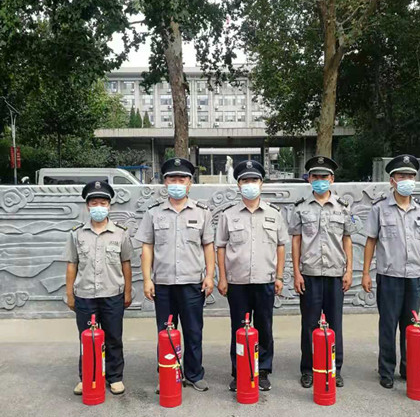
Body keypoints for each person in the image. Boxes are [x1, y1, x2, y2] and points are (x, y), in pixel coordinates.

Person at [135, 157, 214, 392]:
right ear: (165, 183)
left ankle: (194, 374)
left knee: (193, 331)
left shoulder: (202, 212)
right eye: (172, 179)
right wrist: (147, 279)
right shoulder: (153, 213)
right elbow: (147, 247)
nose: (177, 183)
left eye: (182, 179)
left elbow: (208, 246)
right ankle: (168, 375)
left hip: (192, 283)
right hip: (163, 284)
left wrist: (210, 276)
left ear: (190, 183)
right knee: (165, 332)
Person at [362, 154, 420, 389]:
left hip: (415, 276)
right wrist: (365, 273)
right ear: (392, 180)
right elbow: (371, 241)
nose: (407, 180)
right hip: (389, 276)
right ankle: (386, 371)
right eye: (402, 176)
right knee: (388, 325)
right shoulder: (380, 208)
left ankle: (408, 368)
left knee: (411, 325)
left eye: (411, 176)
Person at [216, 159, 288, 392]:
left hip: (265, 280)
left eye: (254, 180)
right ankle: (239, 371)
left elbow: (280, 246)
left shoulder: (274, 214)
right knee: (239, 328)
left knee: (264, 327)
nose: (250, 184)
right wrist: (222, 277)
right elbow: (221, 247)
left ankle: (263, 370)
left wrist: (279, 277)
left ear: (261, 183)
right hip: (237, 282)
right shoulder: (228, 215)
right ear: (239, 185)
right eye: (245, 180)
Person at [288, 156, 355, 389]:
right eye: (315, 176)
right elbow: (296, 241)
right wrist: (296, 273)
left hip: (335, 273)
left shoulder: (343, 208)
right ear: (309, 179)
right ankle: (308, 369)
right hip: (310, 273)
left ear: (332, 179)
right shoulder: (300, 207)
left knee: (335, 324)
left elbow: (347, 240)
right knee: (309, 324)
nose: (319, 180)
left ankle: (335, 368)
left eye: (324, 176)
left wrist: (349, 270)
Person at [64, 180, 133, 396]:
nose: (98, 207)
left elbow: (126, 263)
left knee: (113, 338)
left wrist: (128, 292)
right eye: (94, 203)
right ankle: (87, 377)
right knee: (86, 339)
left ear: (109, 206)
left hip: (113, 294)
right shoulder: (76, 234)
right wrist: (69, 294)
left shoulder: (121, 233)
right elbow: (72, 264)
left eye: (103, 203)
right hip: (85, 294)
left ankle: (115, 377)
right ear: (87, 206)